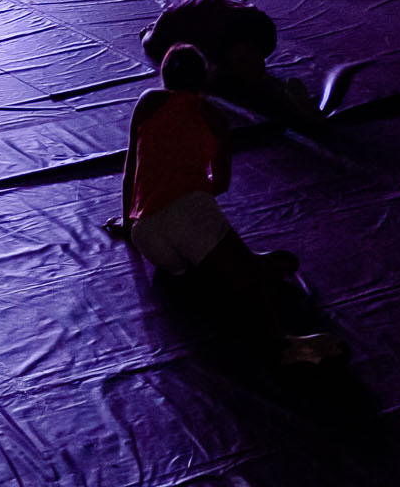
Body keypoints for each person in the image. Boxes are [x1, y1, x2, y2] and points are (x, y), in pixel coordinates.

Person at [108, 45, 345, 365]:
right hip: (188, 213)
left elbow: (131, 169)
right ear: (203, 80)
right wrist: (193, 184)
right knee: (245, 284)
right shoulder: (214, 117)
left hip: (146, 235)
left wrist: (127, 221)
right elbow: (219, 185)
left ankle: (239, 263)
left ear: (164, 76)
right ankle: (284, 346)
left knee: (209, 261)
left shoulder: (148, 101)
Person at [142, 0, 314, 120]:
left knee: (225, 80)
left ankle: (283, 97)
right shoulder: (182, 20)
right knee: (233, 78)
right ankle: (283, 97)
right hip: (252, 24)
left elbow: (149, 41)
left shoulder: (170, 29)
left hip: (234, 28)